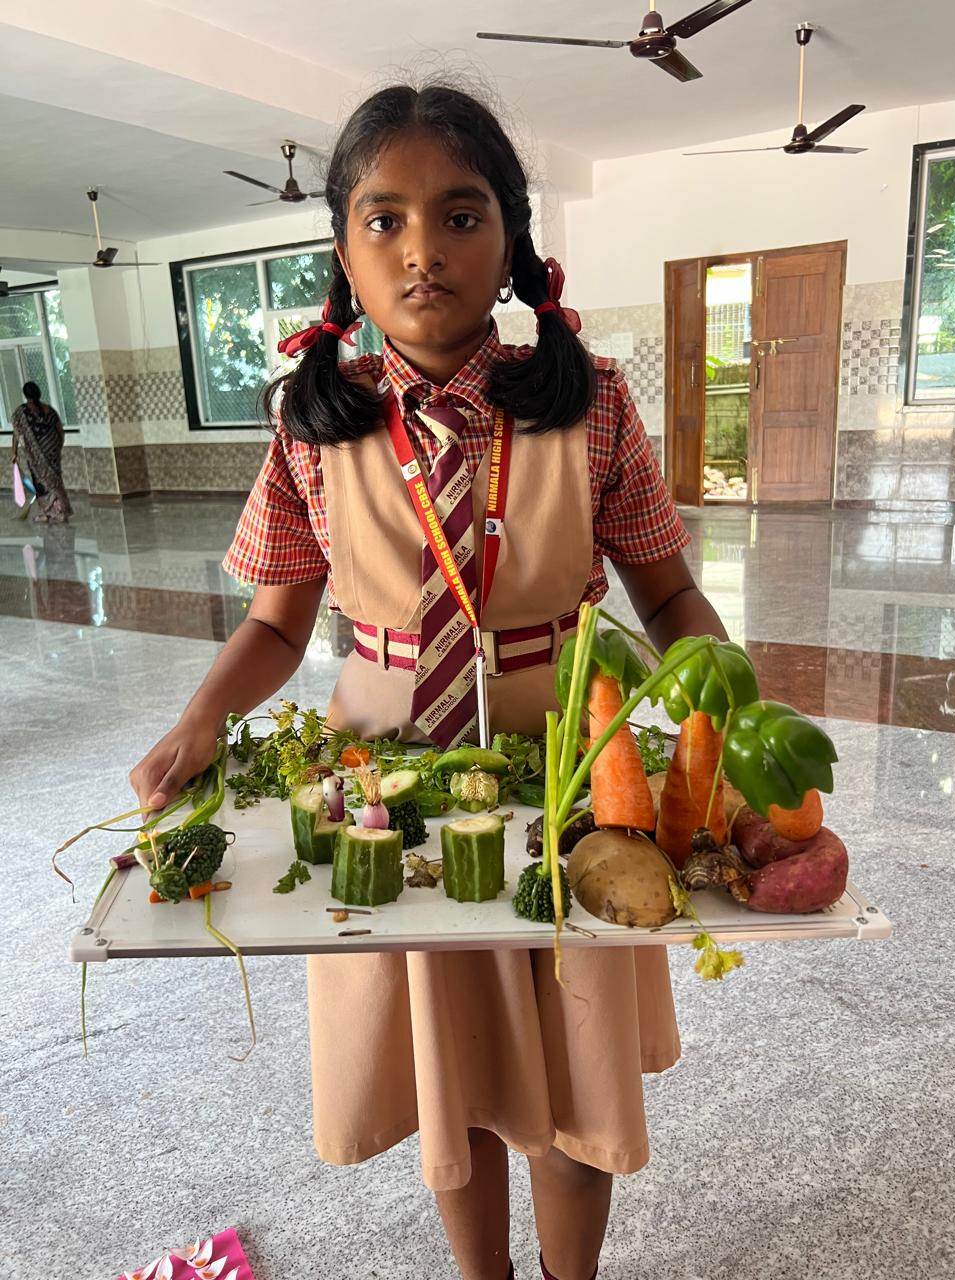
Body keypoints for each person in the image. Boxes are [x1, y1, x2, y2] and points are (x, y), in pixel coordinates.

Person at [130, 83, 728, 1280]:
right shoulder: (315, 424)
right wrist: (199, 719)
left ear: (511, 236)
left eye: (460, 216)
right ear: (343, 253)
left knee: (571, 1081)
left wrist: (733, 715)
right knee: (447, 1085)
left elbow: (666, 599)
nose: (421, 250)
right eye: (383, 218)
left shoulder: (591, 401)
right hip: (385, 797)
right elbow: (275, 623)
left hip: (568, 784)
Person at [10, 381, 72, 523]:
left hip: (36, 457)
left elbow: (16, 434)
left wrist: (14, 452)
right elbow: (59, 431)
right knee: (55, 481)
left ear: (26, 395)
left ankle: (48, 513)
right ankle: (61, 510)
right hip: (53, 452)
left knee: (42, 484)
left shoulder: (21, 413)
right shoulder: (48, 409)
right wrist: (57, 448)